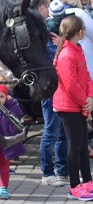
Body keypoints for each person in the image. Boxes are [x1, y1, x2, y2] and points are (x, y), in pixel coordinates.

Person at [53, 14, 93, 200]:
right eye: (83, 28)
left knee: (83, 146)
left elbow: (86, 76)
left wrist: (90, 97)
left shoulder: (77, 49)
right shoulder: (67, 54)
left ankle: (87, 181)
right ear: (79, 31)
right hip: (68, 107)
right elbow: (71, 85)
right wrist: (85, 102)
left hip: (79, 104)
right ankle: (75, 186)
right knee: (75, 146)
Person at [40, 0, 70, 186]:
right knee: (51, 131)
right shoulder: (46, 38)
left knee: (62, 133)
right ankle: (47, 173)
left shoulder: (59, 38)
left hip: (63, 91)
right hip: (51, 90)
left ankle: (63, 172)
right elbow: (54, 64)